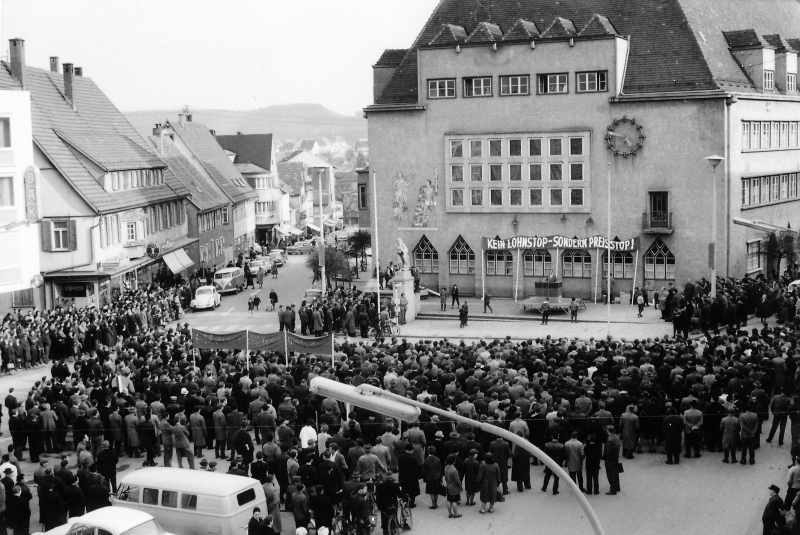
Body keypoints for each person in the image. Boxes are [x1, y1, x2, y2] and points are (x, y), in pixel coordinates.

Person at [603, 426, 621, 495]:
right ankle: (617, 487)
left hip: (610, 460)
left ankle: (613, 489)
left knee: (611, 475)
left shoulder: (609, 440)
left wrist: (606, 459)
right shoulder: (616, 437)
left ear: (607, 431)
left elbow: (608, 452)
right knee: (616, 473)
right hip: (615, 458)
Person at [443, 455, 462, 519]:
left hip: (448, 486)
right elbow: (457, 480)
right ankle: (455, 514)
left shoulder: (446, 468)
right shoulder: (454, 470)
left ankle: (450, 513)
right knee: (454, 501)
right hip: (454, 487)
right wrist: (460, 484)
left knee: (449, 500)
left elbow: (445, 477)